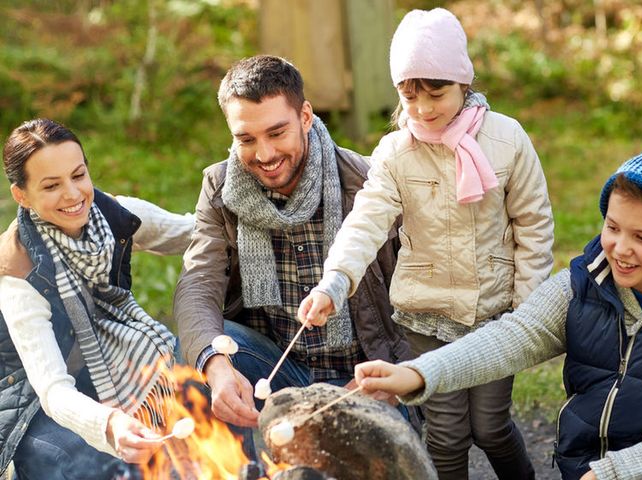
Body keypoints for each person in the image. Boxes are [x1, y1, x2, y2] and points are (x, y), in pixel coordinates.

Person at [354, 146, 642, 480]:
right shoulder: (582, 286)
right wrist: (416, 373)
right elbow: (512, 337)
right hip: (590, 465)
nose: (619, 248)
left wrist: (611, 473)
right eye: (612, 227)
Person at [299, 7, 553, 480]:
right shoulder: (397, 151)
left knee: (491, 427)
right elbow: (366, 220)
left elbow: (534, 226)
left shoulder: (508, 139)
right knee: (446, 433)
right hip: (427, 313)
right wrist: (335, 280)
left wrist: (529, 312)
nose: (422, 109)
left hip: (497, 312)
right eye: (409, 96)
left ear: (462, 81)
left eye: (436, 94)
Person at [173, 55, 412, 432]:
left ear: (305, 116)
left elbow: (425, 299)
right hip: (275, 369)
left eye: (277, 132)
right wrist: (216, 368)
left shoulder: (370, 182)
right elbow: (198, 283)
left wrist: (397, 376)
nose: (264, 155)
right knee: (204, 350)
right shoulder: (220, 188)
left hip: (367, 377)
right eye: (246, 139)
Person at [0, 118, 194, 480]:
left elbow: (198, 233)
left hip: (105, 367)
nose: (73, 194)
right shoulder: (17, 273)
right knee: (102, 468)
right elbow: (52, 390)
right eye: (52, 185)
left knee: (203, 404)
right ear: (21, 195)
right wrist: (110, 424)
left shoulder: (114, 217)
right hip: (30, 400)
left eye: (78, 175)